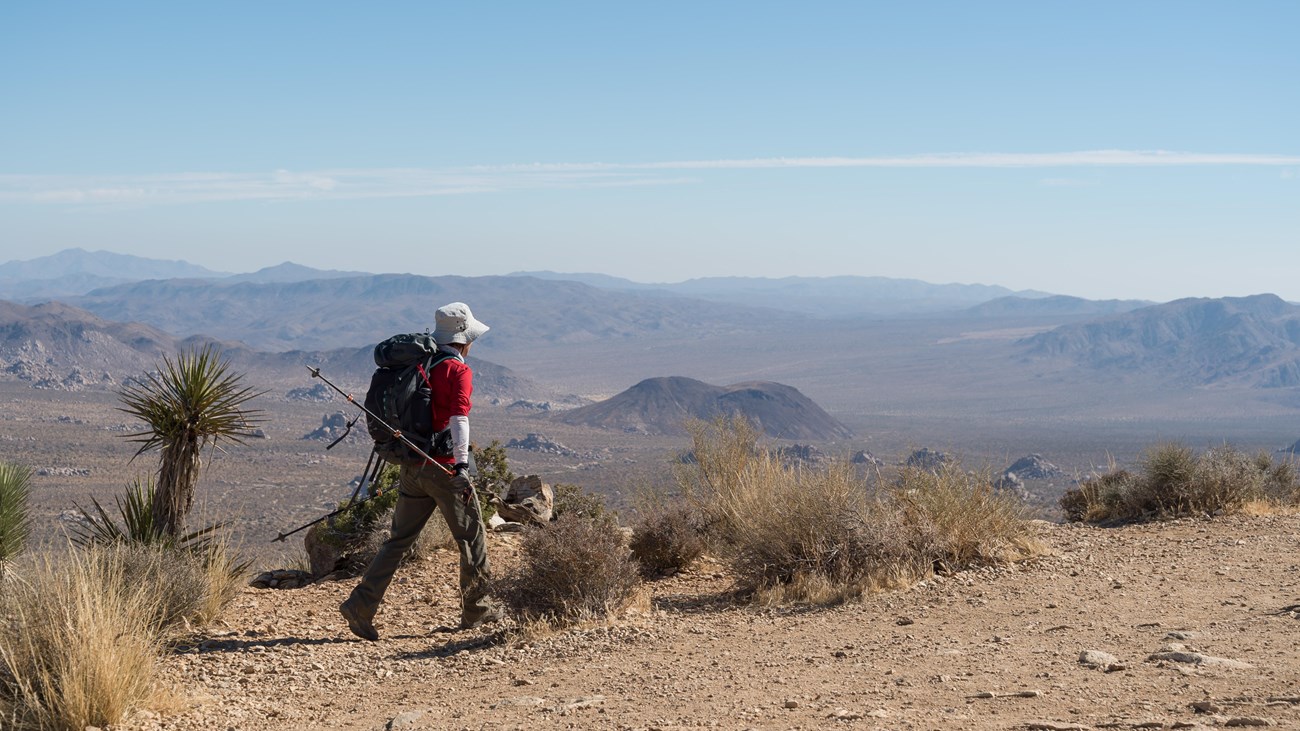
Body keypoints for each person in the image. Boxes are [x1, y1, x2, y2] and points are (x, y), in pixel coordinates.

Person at [340, 302, 501, 640]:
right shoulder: (457, 370)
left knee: (398, 540)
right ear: (464, 339)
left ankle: (361, 605)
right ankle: (480, 612)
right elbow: (459, 419)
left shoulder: (418, 362)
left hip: (413, 463)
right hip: (442, 467)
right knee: (471, 537)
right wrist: (460, 466)